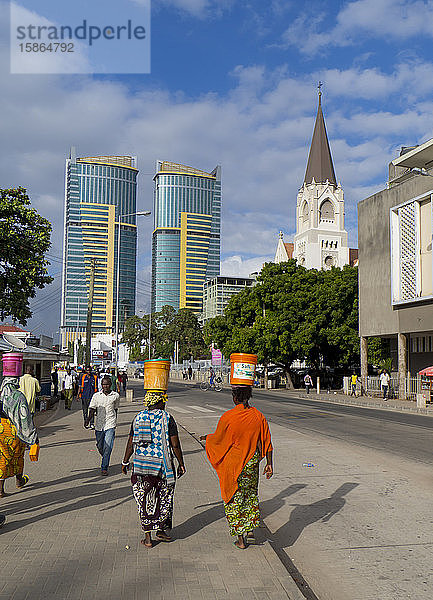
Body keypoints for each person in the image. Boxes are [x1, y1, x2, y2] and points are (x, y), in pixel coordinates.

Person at [201, 385, 273, 549]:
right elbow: (267, 442)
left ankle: (241, 540)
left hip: (234, 465)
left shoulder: (228, 417)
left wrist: (207, 438)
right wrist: (269, 464)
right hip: (252, 463)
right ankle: (250, 531)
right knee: (250, 496)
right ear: (249, 396)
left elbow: (219, 439)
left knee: (234, 499)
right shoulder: (258, 416)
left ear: (235, 397)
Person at [121, 390, 186, 548]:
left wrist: (125, 461)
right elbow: (175, 444)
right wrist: (181, 463)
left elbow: (131, 442)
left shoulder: (138, 418)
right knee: (164, 498)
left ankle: (148, 537)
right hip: (163, 466)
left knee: (144, 499)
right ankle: (162, 530)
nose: (165, 404)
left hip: (141, 466)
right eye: (163, 401)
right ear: (159, 402)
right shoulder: (167, 418)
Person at [0, 375, 38, 497]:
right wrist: (33, 437)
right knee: (18, 457)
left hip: (1, 430)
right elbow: (25, 418)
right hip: (15, 431)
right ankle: (19, 481)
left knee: (3, 458)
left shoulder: (1, 395)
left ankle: (1, 489)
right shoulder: (19, 396)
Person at [85, 376, 120, 475]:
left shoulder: (115, 396)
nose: (105, 386)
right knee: (101, 446)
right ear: (101, 385)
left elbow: (116, 409)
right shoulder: (96, 396)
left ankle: (104, 467)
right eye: (104, 384)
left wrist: (115, 421)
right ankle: (105, 455)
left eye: (107, 384)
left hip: (110, 424)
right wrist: (88, 420)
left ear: (110, 385)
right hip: (99, 425)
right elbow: (92, 409)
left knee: (108, 447)